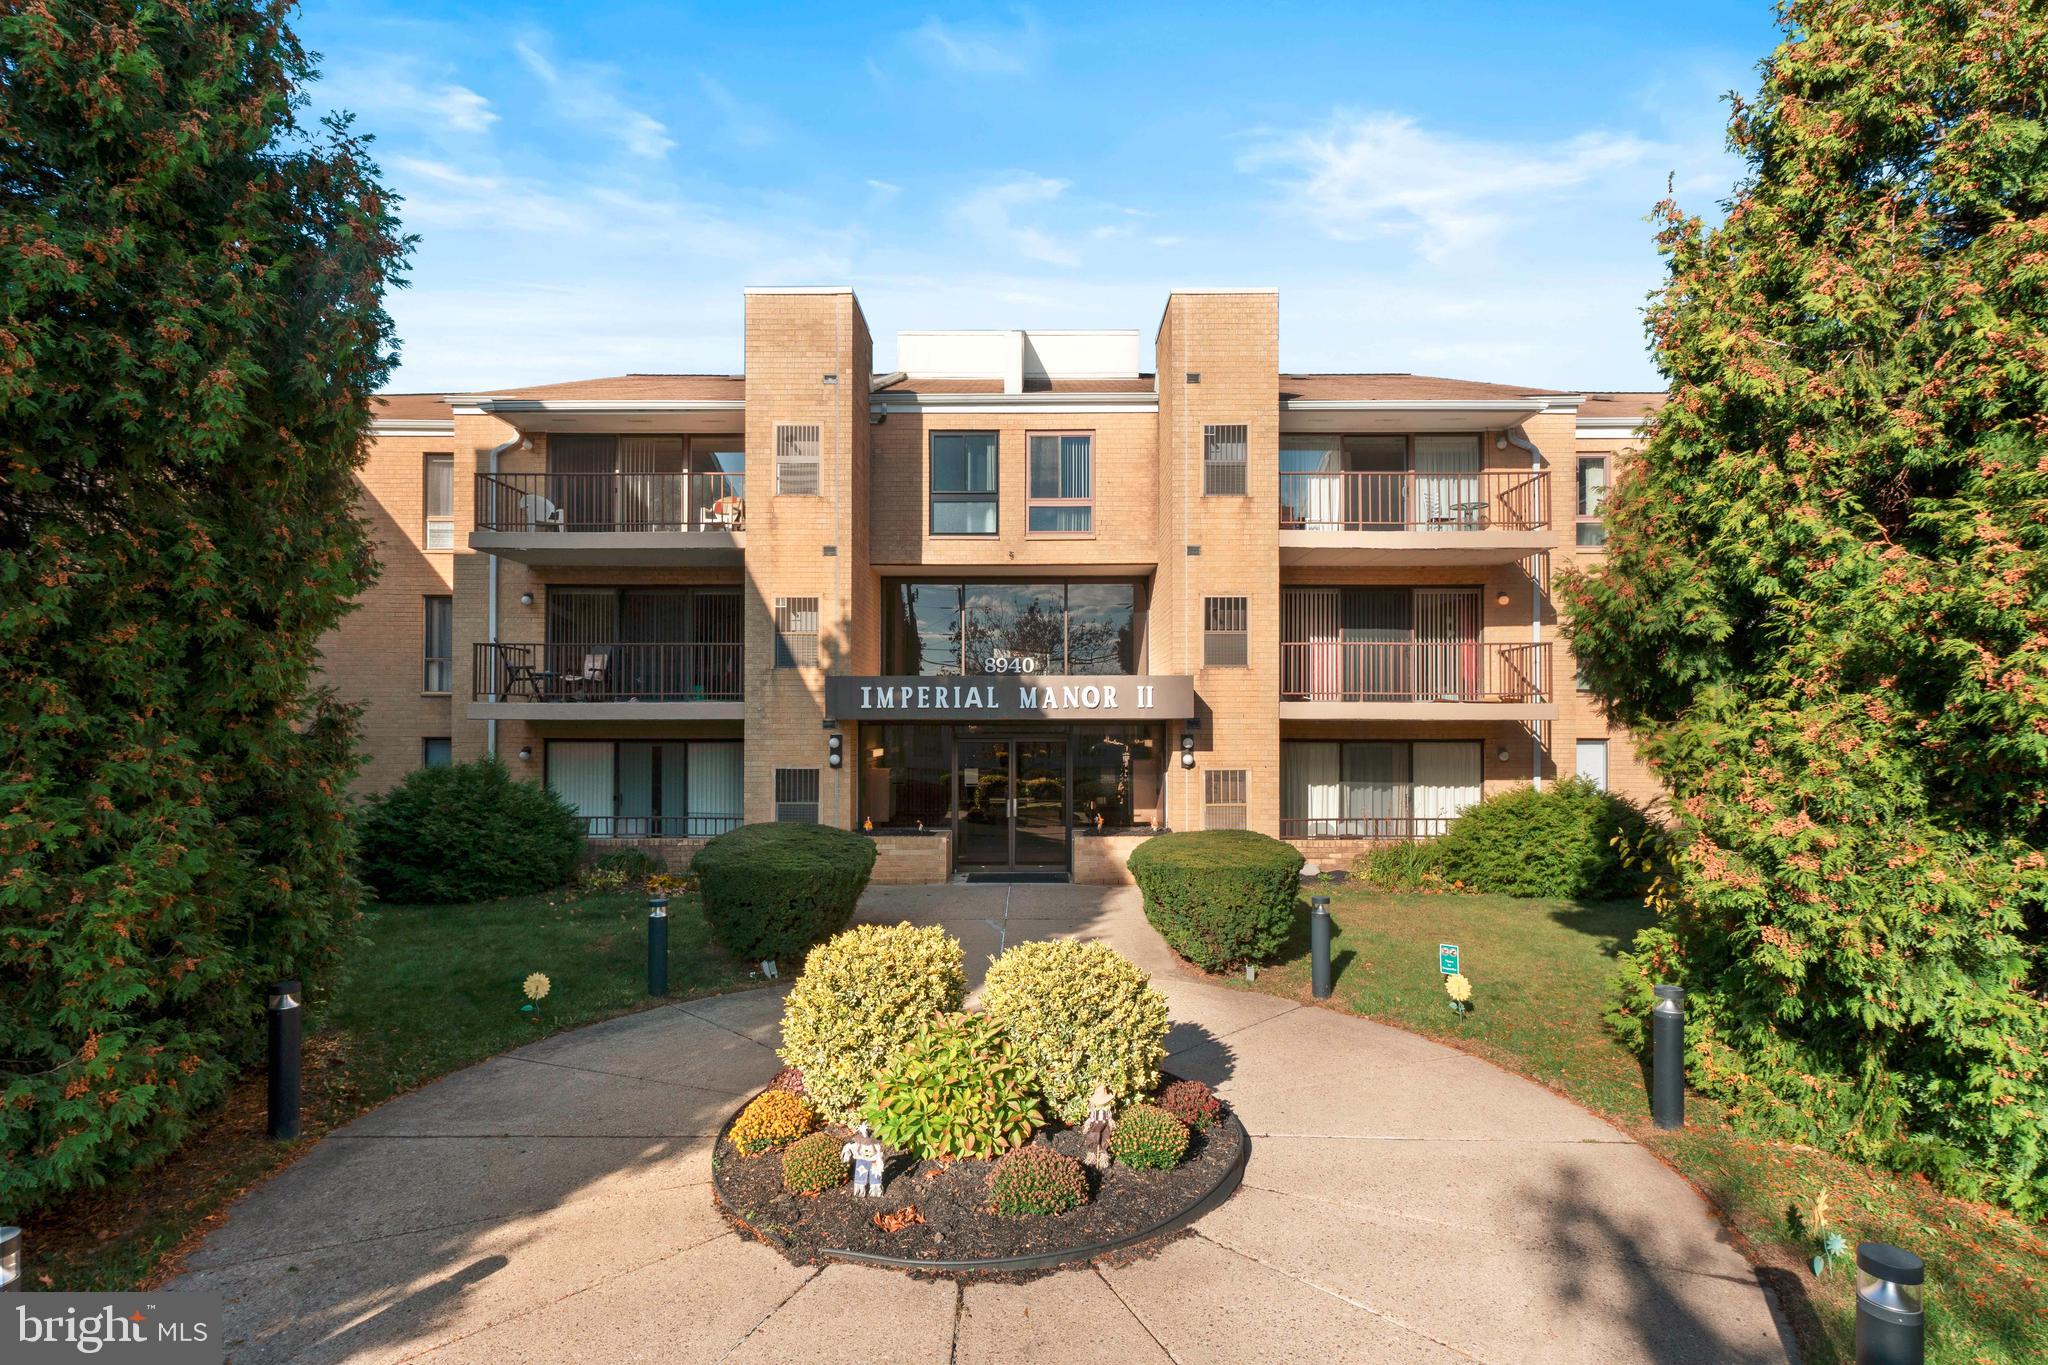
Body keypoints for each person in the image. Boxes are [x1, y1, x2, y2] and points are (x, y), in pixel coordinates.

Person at [841, 1122, 886, 1197]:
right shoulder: (857, 1143)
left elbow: (879, 1152)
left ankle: (875, 1190)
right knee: (860, 1175)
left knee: (875, 1175)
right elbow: (849, 1146)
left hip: (873, 1160)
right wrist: (847, 1152)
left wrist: (879, 1162)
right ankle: (860, 1190)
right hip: (862, 1159)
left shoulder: (875, 1144)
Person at [1080, 1083, 1116, 1171]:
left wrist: (1111, 1124)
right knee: (1093, 1139)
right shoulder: (1094, 1111)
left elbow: (1110, 1119)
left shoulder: (1107, 1110)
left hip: (1105, 1127)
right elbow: (1090, 1119)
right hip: (1094, 1128)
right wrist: (1087, 1126)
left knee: (1104, 1140)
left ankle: (1103, 1158)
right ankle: (1092, 1156)